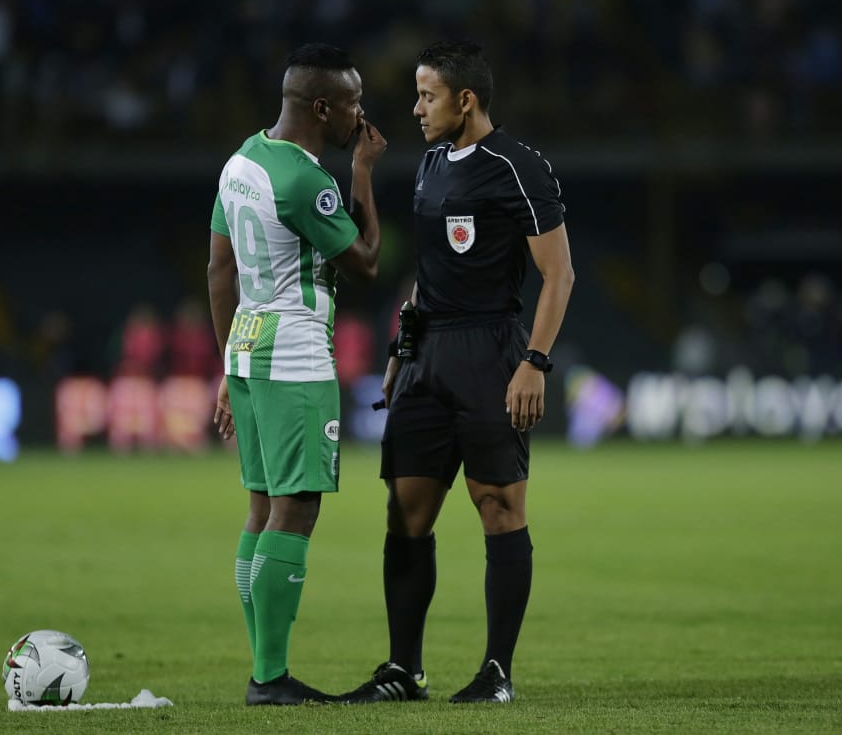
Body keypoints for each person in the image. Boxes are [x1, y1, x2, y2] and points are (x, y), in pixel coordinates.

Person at [338, 40, 574, 705]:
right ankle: (402, 670)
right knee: (406, 509)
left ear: (464, 99)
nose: (415, 108)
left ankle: (496, 671)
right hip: (426, 354)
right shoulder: (431, 166)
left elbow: (559, 274)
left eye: (427, 95)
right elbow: (427, 277)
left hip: (492, 350)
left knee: (498, 506)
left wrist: (534, 361)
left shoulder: (519, 167)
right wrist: (398, 349)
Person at [207, 43, 386, 705]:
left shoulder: (241, 162)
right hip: (296, 354)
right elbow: (368, 260)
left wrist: (226, 362)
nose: (359, 114)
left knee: (260, 507)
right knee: (295, 507)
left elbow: (218, 273)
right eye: (352, 102)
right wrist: (362, 172)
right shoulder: (306, 180)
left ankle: (264, 668)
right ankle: (270, 676)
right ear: (321, 106)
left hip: (249, 347)